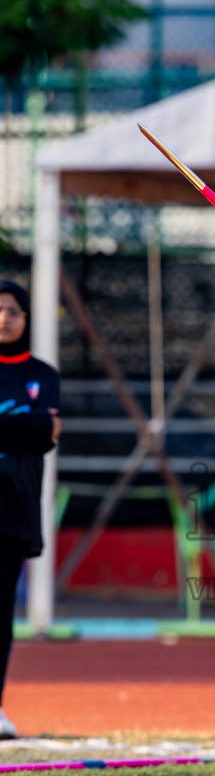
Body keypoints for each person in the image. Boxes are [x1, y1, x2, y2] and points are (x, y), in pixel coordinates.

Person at [0, 280, 61, 738]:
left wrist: (31, 428)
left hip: (14, 511)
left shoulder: (43, 372)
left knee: (2, 616)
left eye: (14, 310)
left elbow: (48, 433)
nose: (5, 318)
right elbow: (36, 429)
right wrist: (27, 426)